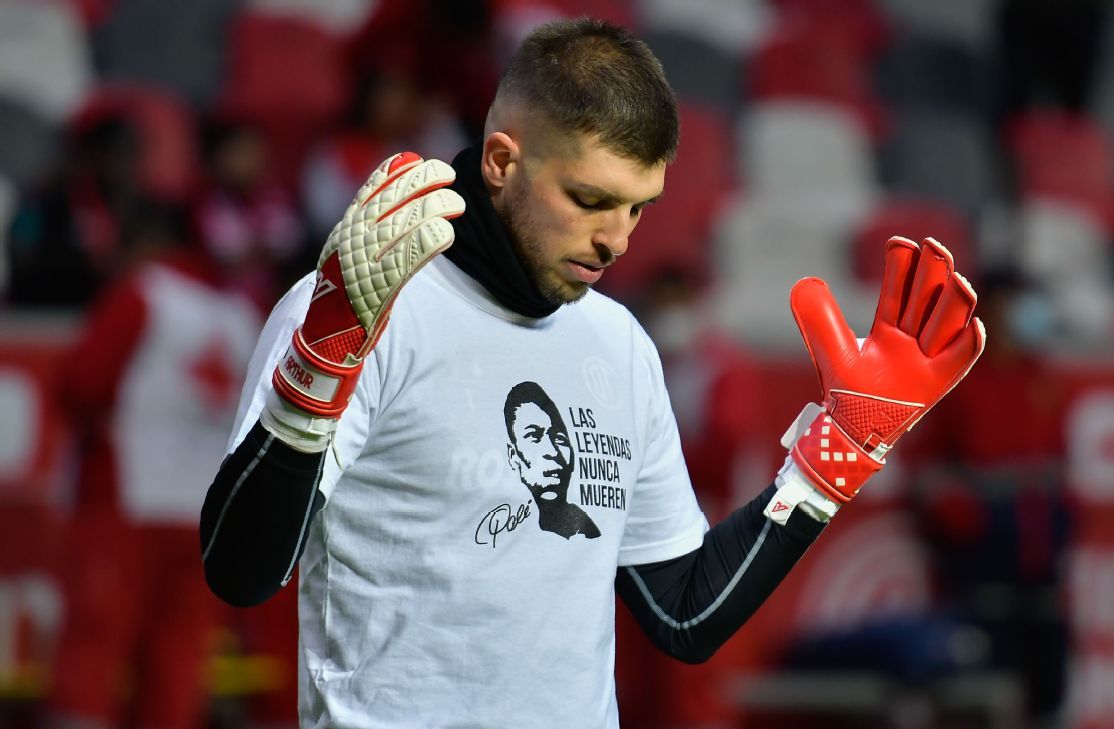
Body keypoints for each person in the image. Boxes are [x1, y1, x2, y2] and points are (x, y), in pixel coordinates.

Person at [199, 18, 985, 728]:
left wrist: (839, 450)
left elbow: (683, 614)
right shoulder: (363, 312)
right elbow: (239, 572)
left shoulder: (620, 344)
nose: (617, 240)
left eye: (638, 207)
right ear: (502, 161)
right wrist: (320, 363)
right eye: (590, 198)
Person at [47, 201, 262, 729]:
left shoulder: (143, 295)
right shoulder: (242, 318)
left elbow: (81, 384)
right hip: (203, 516)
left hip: (126, 500)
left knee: (93, 650)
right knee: (178, 662)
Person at [501, 380, 601, 541]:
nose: (553, 452)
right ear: (513, 456)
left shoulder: (585, 529)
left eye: (559, 438)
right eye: (534, 436)